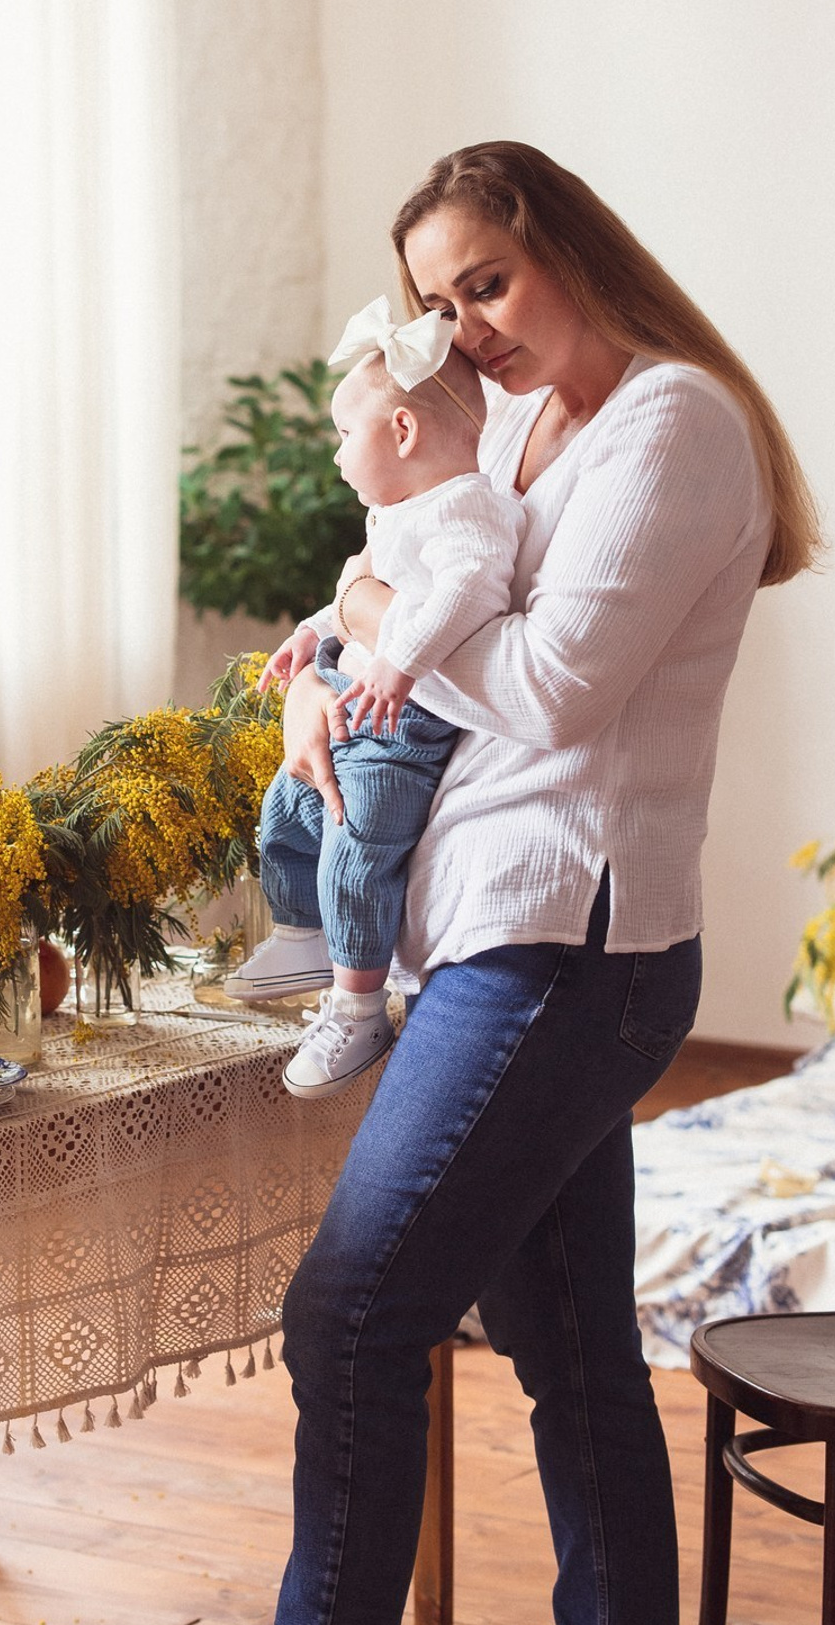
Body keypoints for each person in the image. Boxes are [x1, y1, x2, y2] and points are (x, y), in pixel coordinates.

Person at [270, 141, 820, 1625]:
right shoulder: (508, 422)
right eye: (440, 304)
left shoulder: (674, 422)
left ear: (571, 248)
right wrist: (325, 661)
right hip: (491, 939)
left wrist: (374, 619)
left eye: (489, 282)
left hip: (573, 947)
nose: (468, 327)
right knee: (571, 1356)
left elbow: (556, 689)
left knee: (350, 1317)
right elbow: (401, 574)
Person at [231, 296, 526, 1098]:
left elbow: (466, 594)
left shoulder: (468, 507)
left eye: (343, 434)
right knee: (285, 816)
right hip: (353, 697)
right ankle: (302, 935)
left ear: (402, 431)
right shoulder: (394, 513)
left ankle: (358, 1007)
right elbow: (358, 591)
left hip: (402, 724)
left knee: (355, 849)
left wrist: (398, 663)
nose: (335, 455)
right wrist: (310, 634)